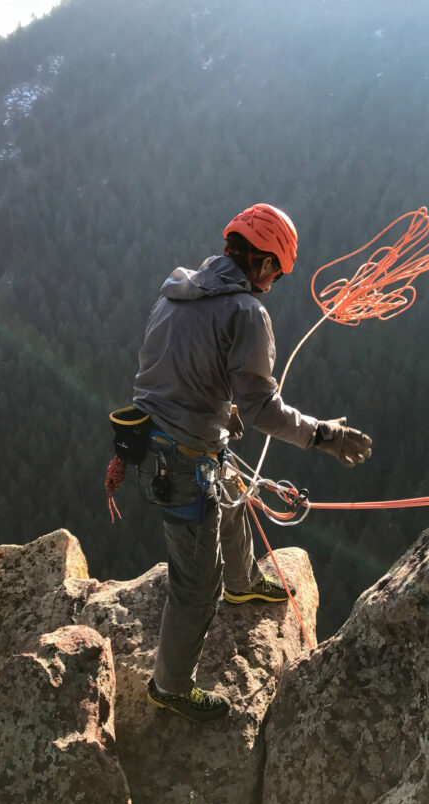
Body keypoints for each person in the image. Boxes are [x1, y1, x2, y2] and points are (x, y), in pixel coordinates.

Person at [133, 203, 372, 722]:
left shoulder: (177, 288)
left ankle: (243, 584)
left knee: (234, 490)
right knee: (197, 585)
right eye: (277, 273)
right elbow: (265, 408)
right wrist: (324, 435)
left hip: (162, 439)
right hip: (184, 456)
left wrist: (217, 408)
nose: (274, 283)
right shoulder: (246, 313)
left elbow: (166, 366)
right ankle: (170, 688)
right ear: (263, 263)